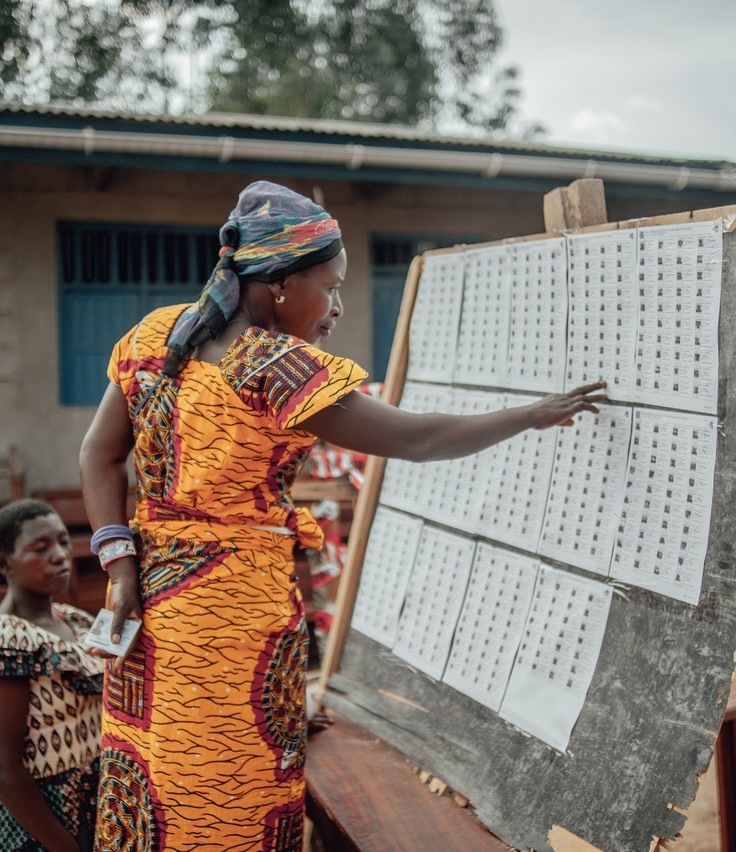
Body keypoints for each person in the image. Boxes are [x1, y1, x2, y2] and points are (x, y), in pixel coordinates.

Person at [79, 179, 606, 850]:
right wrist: (532, 414)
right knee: (225, 801)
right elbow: (416, 438)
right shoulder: (272, 365)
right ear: (278, 285)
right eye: (329, 287)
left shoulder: (157, 336)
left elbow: (97, 456)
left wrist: (120, 565)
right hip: (228, 631)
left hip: (148, 615)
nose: (336, 306)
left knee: (154, 787)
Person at [0, 498, 105, 852]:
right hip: (38, 829)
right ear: (4, 563)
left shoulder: (74, 622)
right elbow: (0, 766)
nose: (60, 555)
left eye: (63, 541)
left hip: (96, 814)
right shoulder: (1, 641)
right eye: (40, 548)